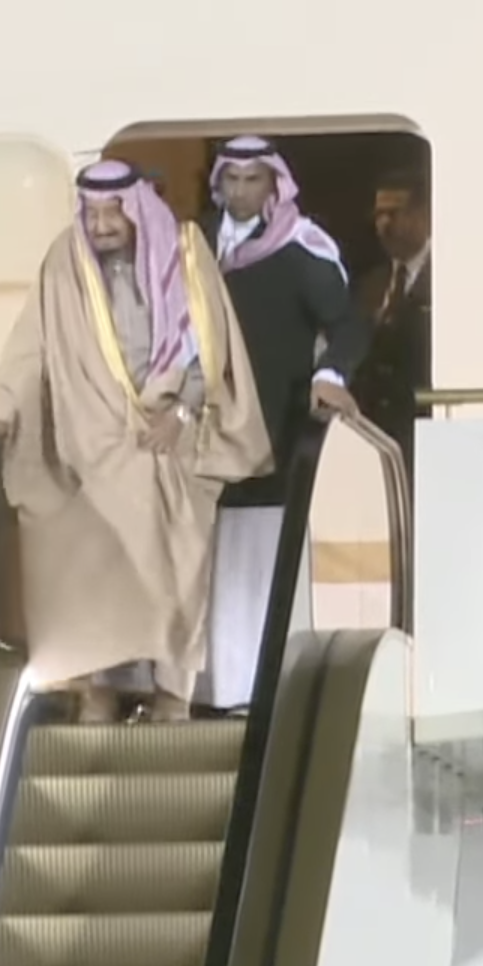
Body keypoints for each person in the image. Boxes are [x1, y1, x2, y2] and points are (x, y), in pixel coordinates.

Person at [0, 157, 275, 724]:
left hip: (170, 445)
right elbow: (30, 346)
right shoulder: (65, 261)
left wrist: (180, 413)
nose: (102, 226)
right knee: (91, 571)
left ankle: (173, 695)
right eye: (92, 215)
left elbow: (208, 349)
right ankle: (97, 691)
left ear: (138, 208)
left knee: (178, 573)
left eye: (113, 213)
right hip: (94, 445)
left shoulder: (185, 253)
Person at [198, 136, 372, 716]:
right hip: (199, 434)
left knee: (258, 565)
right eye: (232, 179)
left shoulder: (301, 246)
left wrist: (331, 375)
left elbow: (349, 324)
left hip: (271, 428)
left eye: (253, 180)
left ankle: (256, 695)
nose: (241, 191)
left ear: (274, 184)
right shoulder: (194, 244)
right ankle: (203, 694)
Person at [349, 166, 432, 481]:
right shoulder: (371, 284)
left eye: (394, 213)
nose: (383, 224)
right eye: (378, 215)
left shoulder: (446, 275)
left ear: (423, 215)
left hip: (424, 428)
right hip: (375, 434)